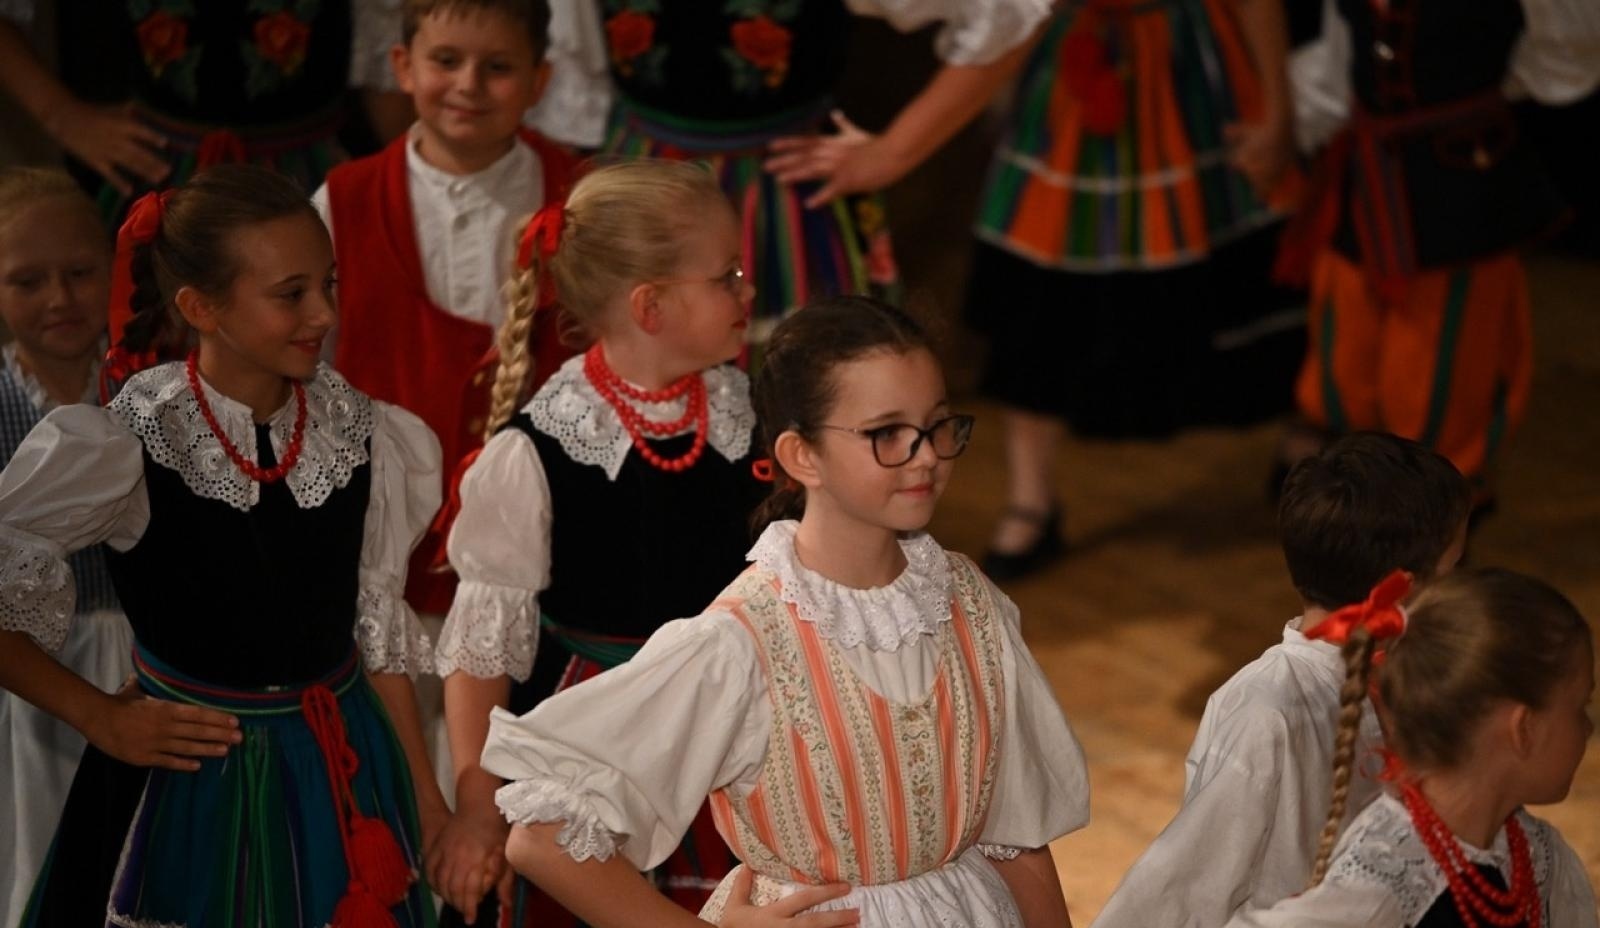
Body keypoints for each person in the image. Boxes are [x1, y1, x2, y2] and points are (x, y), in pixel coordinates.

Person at [482, 294, 1105, 928]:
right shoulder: (740, 640)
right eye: (887, 435)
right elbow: (543, 836)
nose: (927, 456)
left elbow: (1013, 834)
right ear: (802, 454)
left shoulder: (970, 602)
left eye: (939, 425)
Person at [0, 165, 445, 928]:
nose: (321, 312)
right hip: (185, 787)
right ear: (200, 307)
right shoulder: (129, 439)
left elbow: (377, 628)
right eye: (290, 294)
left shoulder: (366, 432)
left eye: (327, 285)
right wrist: (99, 716)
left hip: (336, 774)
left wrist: (426, 802)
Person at [427, 159, 768, 928]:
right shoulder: (537, 451)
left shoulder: (740, 409)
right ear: (651, 306)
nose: (748, 288)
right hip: (594, 746)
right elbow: (482, 642)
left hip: (721, 724)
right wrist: (477, 797)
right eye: (726, 275)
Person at [1092, 567, 1599, 928]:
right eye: (1580, 707)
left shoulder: (1532, 856)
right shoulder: (1379, 901)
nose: (1589, 728)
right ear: (1523, 729)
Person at [1079, 431, 1469, 928]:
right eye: (1455, 571)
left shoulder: (1418, 688)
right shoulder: (1266, 708)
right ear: (1404, 588)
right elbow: (1191, 884)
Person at [312, 0, 577, 803]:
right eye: (446, 61)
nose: (468, 85)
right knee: (384, 782)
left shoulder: (582, 198)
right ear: (402, 69)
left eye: (497, 68)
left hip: (534, 564)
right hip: (382, 560)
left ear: (540, 81)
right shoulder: (345, 200)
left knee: (507, 788)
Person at [963, 0, 1305, 579]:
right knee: (1036, 281)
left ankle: (1305, 440)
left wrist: (1279, 107)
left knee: (1249, 258)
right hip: (1069, 64)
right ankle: (1031, 498)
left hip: (1188, 63)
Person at [530, 0, 1057, 353]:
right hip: (640, 186)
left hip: (782, 194)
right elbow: (567, 67)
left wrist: (892, 153)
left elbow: (1010, 14)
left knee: (801, 398)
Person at [1278, 0, 1600, 502]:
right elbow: (1340, 56)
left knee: (1445, 357)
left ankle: (1437, 502)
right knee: (1349, 336)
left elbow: (1565, 59)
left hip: (1459, 195)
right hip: (1366, 183)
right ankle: (1351, 484)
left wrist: (1469, 94)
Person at [0, 167, 133, 928]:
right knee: (27, 853)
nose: (60, 297)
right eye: (26, 279)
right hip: (19, 681)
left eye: (80, 272)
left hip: (133, 663)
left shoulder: (146, 392)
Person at [0, 0, 414, 222]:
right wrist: (62, 116)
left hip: (310, 174)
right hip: (150, 180)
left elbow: (383, 63)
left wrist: (405, 183)